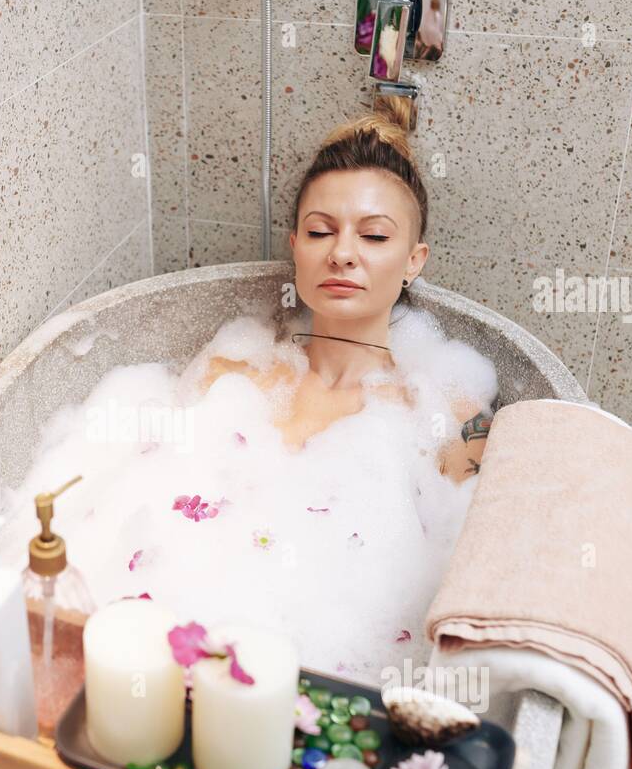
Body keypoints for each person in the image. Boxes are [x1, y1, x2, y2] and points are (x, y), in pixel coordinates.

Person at [200, 93, 491, 483]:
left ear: (413, 261)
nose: (341, 253)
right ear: (296, 248)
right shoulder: (231, 380)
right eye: (319, 232)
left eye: (373, 236)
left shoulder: (450, 422)